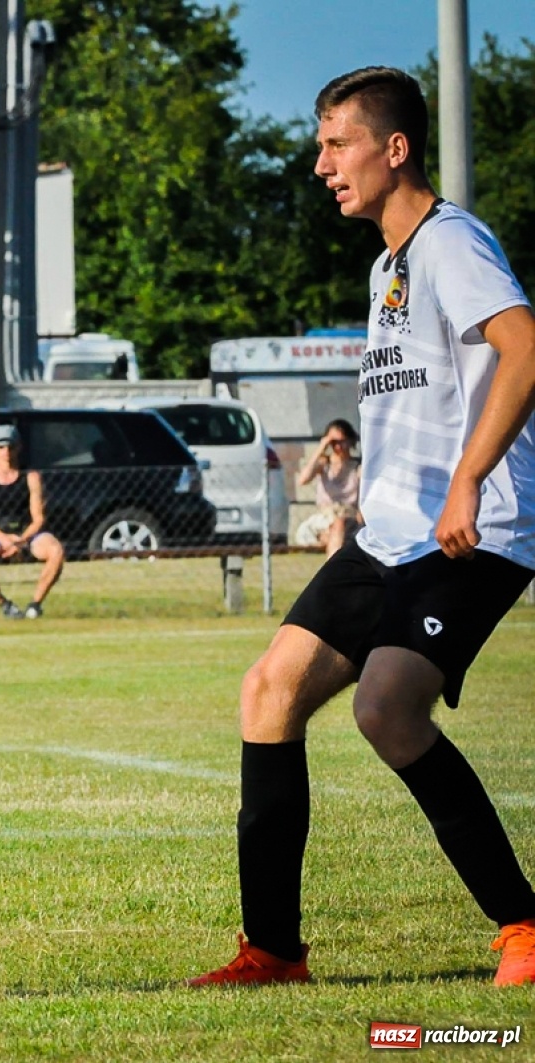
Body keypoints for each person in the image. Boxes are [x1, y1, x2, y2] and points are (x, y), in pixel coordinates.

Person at [190, 67, 535, 989]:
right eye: (319, 145)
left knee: (386, 708)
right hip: (386, 537)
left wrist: (467, 480)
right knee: (269, 691)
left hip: (472, 531)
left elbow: (525, 346)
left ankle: (526, 926)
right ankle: (273, 951)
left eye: (336, 144)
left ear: (396, 148)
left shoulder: (450, 242)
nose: (320, 164)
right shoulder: (388, 264)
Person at [0, 423, 66, 619]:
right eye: (1, 447)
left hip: (28, 535)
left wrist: (21, 540)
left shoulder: (31, 477)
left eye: (11, 446)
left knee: (56, 550)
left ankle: (35, 605)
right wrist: (5, 540)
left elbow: (38, 518)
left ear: (18, 448)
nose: (6, 452)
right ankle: (3, 603)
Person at [293, 418, 362, 556]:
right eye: (333, 442)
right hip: (325, 516)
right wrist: (321, 448)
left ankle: (332, 568)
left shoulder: (357, 467)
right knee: (333, 533)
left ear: (349, 441)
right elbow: (302, 480)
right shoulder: (324, 464)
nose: (338, 447)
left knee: (338, 526)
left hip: (348, 516)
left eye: (342, 441)